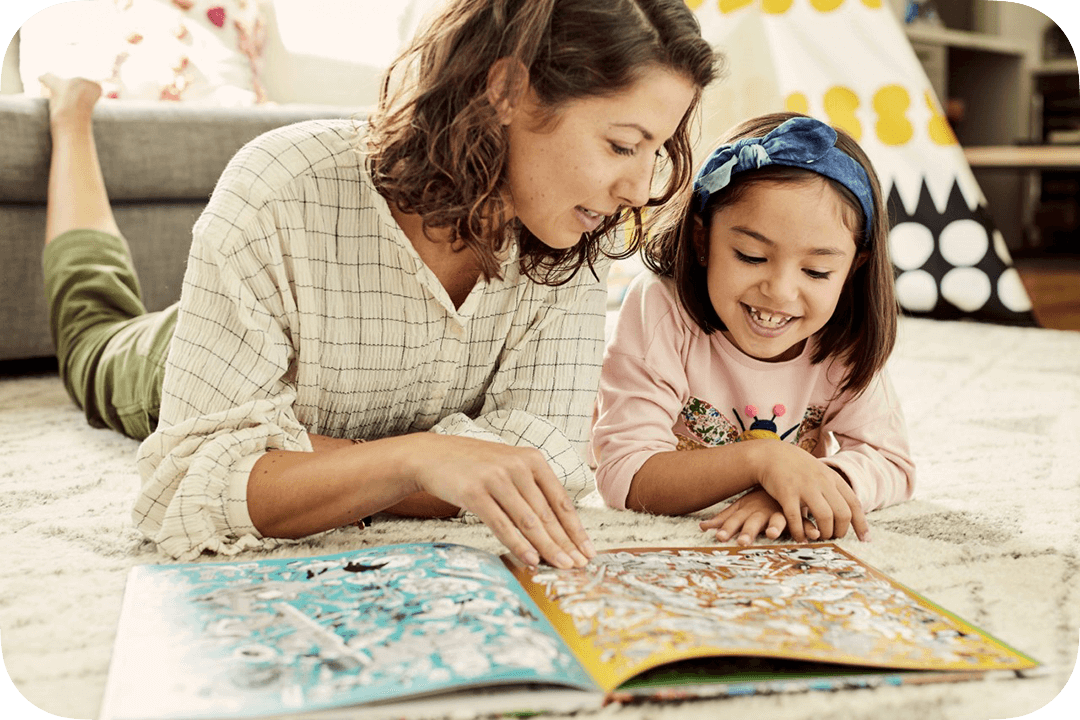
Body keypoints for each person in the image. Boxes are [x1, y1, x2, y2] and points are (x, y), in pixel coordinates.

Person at [40, 0, 719, 564]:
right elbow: (185, 484)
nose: (638, 187)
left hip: (281, 384)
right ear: (506, 90)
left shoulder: (574, 234)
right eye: (622, 144)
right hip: (166, 360)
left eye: (656, 150)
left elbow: (547, 462)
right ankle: (71, 119)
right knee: (91, 328)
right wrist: (420, 459)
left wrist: (298, 463)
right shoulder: (283, 186)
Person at [591, 113, 915, 546]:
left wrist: (796, 488)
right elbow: (624, 476)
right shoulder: (659, 308)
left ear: (853, 269)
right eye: (750, 256)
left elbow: (891, 462)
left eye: (817, 271)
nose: (780, 293)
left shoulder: (843, 337)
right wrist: (763, 460)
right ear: (702, 240)